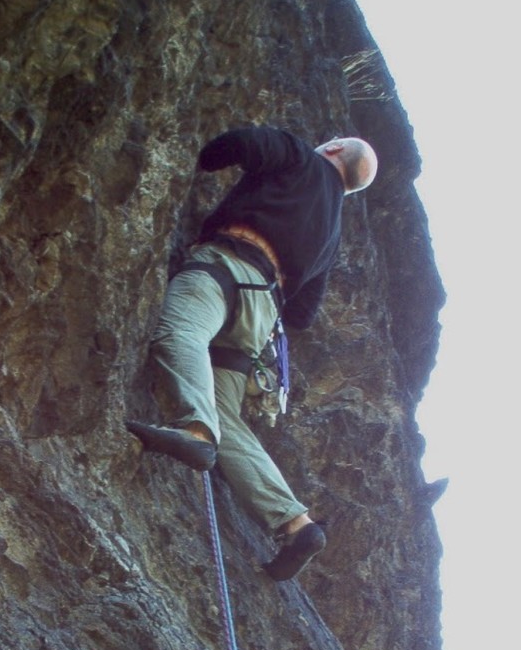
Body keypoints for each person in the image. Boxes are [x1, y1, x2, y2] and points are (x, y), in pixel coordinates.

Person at [127, 124, 378, 581]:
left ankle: (195, 431)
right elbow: (303, 314)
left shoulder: (301, 156)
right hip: (262, 312)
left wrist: (207, 159)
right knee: (225, 415)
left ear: (336, 147)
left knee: (180, 333)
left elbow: (237, 146)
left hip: (224, 267)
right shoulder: (331, 234)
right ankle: (296, 524)